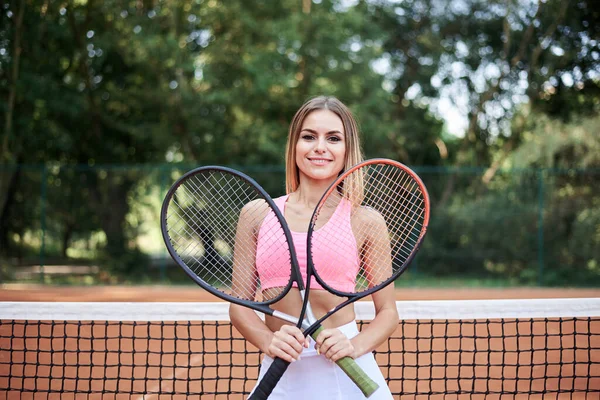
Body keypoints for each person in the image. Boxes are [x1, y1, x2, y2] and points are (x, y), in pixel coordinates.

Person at [229, 96, 398, 399]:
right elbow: (239, 305)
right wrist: (268, 341)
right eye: (309, 136)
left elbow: (387, 312)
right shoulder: (255, 215)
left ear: (347, 150)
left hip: (347, 369)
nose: (320, 147)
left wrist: (354, 345)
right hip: (281, 371)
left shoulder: (366, 220)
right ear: (294, 146)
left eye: (333, 138)